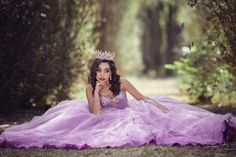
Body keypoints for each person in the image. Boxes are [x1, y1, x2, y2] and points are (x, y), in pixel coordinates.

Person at [0, 50, 235, 149]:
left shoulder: (122, 83)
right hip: (100, 118)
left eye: (106, 70)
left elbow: (141, 99)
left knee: (170, 120)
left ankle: (220, 126)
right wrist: (95, 92)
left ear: (112, 72)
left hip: (131, 114)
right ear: (95, 72)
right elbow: (94, 113)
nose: (103, 74)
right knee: (60, 131)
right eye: (99, 70)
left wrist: (162, 108)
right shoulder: (90, 87)